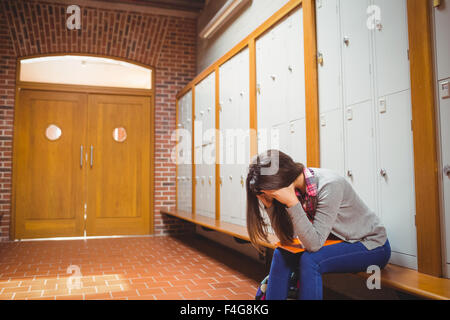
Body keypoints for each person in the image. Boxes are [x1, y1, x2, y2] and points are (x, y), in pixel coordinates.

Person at [246, 149, 391, 300]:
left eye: (271, 193)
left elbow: (313, 244)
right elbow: (288, 238)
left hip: (371, 245)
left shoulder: (329, 185)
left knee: (311, 260)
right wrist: (270, 206)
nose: (271, 197)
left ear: (281, 181)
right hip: (338, 242)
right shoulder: (294, 190)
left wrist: (292, 203)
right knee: (281, 253)